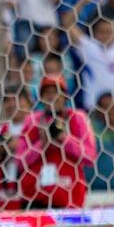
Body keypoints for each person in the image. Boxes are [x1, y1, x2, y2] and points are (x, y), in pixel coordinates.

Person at [15, 74, 96, 209]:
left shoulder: (77, 118)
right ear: (40, 98)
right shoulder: (32, 120)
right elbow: (19, 161)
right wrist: (42, 143)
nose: (51, 97)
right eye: (47, 93)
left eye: (56, 92)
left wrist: (64, 138)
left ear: (65, 96)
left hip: (69, 199)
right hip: (35, 198)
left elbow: (90, 157)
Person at [0, 85, 32, 210]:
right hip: (5, 194)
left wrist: (19, 147)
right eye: (7, 100)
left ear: (28, 102)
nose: (11, 104)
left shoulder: (35, 126)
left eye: (16, 99)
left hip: (31, 195)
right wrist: (0, 149)